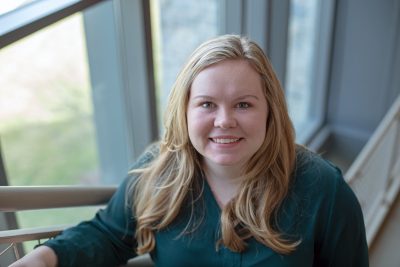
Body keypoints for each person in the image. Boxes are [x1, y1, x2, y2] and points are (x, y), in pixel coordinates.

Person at [11, 34, 369, 267]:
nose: (224, 121)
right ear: (185, 111)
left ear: (270, 110)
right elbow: (107, 235)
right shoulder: (158, 172)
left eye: (243, 105)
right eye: (207, 104)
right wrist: (45, 257)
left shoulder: (323, 189)